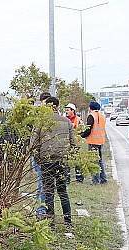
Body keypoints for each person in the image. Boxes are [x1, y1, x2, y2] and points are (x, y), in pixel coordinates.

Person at [32, 97, 76, 226]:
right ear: (57, 106)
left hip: (46, 161)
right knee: (63, 191)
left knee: (49, 191)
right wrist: (68, 157)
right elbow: (73, 143)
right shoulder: (66, 121)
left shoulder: (40, 122)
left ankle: (51, 222)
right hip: (62, 161)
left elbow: (33, 143)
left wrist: (38, 159)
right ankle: (68, 221)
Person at [32, 92, 52, 216]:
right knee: (43, 183)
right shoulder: (39, 115)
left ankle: (42, 209)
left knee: (44, 183)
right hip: (41, 153)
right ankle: (41, 209)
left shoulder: (46, 115)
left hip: (44, 153)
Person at [81, 101, 108, 184]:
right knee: (99, 160)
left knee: (93, 161)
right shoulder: (102, 116)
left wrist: (81, 135)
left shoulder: (91, 116)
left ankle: (95, 180)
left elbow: (88, 129)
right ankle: (103, 179)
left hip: (93, 141)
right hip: (101, 141)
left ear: (90, 108)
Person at [64, 103, 84, 183]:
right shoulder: (64, 119)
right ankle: (67, 178)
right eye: (66, 110)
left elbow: (83, 130)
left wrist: (78, 137)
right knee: (67, 162)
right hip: (67, 144)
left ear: (73, 111)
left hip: (76, 144)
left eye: (68, 110)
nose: (66, 111)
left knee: (77, 162)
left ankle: (79, 178)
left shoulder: (78, 119)